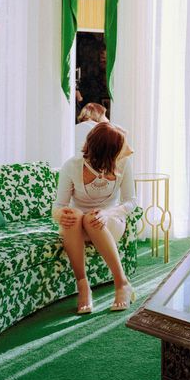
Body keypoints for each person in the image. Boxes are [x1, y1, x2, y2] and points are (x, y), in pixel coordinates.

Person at [52, 121, 137, 314]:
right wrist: (60, 215)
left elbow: (131, 202)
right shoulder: (72, 166)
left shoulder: (124, 164)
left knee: (92, 217)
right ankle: (83, 286)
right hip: (76, 228)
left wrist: (107, 213)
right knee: (74, 214)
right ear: (107, 152)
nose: (127, 150)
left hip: (109, 222)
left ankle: (122, 283)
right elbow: (58, 206)